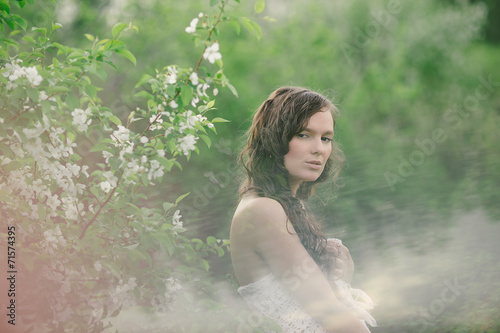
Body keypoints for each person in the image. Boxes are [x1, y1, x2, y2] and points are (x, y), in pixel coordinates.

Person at [230, 87, 376, 332]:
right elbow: (332, 318)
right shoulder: (263, 210)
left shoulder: (281, 205)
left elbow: (313, 310)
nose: (319, 148)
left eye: (326, 138)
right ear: (274, 138)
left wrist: (341, 278)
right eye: (303, 134)